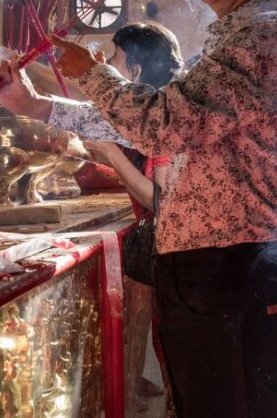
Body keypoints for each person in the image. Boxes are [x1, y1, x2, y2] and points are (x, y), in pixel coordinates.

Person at [0, 0, 277, 418]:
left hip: (229, 274)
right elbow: (151, 124)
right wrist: (37, 107)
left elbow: (160, 126)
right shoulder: (236, 37)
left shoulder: (264, 38)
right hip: (212, 273)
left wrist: (91, 74)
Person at [79, 22, 182, 414]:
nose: (108, 64)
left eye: (116, 58)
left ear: (136, 71)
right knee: (167, 342)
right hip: (170, 249)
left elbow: (159, 199)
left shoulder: (161, 112)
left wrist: (111, 155)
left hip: (178, 250)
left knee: (179, 352)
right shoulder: (148, 106)